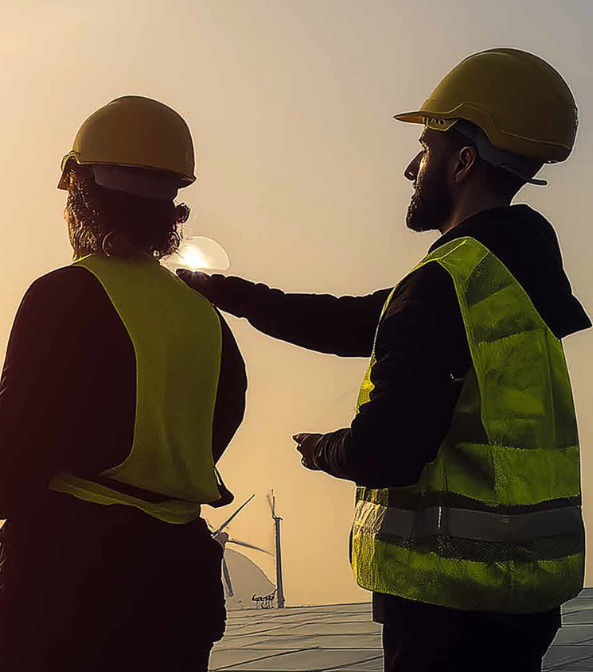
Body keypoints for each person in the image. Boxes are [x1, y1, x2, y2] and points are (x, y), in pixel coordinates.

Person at [179, 48, 588, 671]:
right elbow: (356, 322)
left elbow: (386, 452)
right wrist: (228, 292)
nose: (411, 168)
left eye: (425, 148)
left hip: (449, 606)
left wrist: (323, 450)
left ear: (462, 162)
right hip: (521, 595)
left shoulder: (445, 284)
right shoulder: (507, 275)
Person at [0, 95, 247, 672]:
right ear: (172, 207)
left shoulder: (62, 297)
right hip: (178, 588)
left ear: (81, 193)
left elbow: (0, 486)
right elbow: (212, 429)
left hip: (71, 593)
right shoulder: (207, 317)